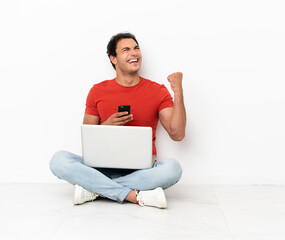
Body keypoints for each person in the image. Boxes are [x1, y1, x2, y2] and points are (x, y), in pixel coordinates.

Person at [49, 32, 186, 209]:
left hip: (142, 169)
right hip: (101, 166)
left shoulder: (158, 91)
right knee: (58, 160)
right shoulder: (97, 91)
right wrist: (106, 126)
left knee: (173, 168)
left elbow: (178, 134)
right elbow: (88, 139)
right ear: (113, 58)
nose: (134, 52)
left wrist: (178, 93)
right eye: (126, 49)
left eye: (136, 48)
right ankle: (132, 195)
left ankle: (95, 189)